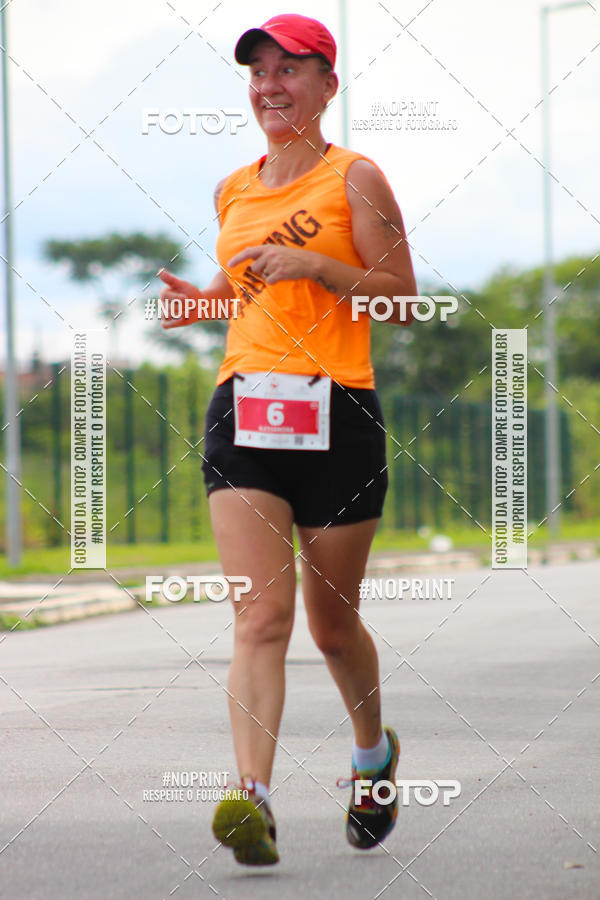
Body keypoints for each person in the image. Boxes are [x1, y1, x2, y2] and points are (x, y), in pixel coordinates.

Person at [158, 13, 418, 866]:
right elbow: (240, 292)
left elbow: (401, 300)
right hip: (246, 408)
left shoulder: (357, 178)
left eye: (289, 69)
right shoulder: (234, 189)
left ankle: (372, 759)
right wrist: (198, 304)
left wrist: (318, 267)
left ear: (327, 85)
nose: (270, 86)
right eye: (258, 72)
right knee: (259, 613)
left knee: (332, 627)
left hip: (338, 413)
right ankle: (253, 799)